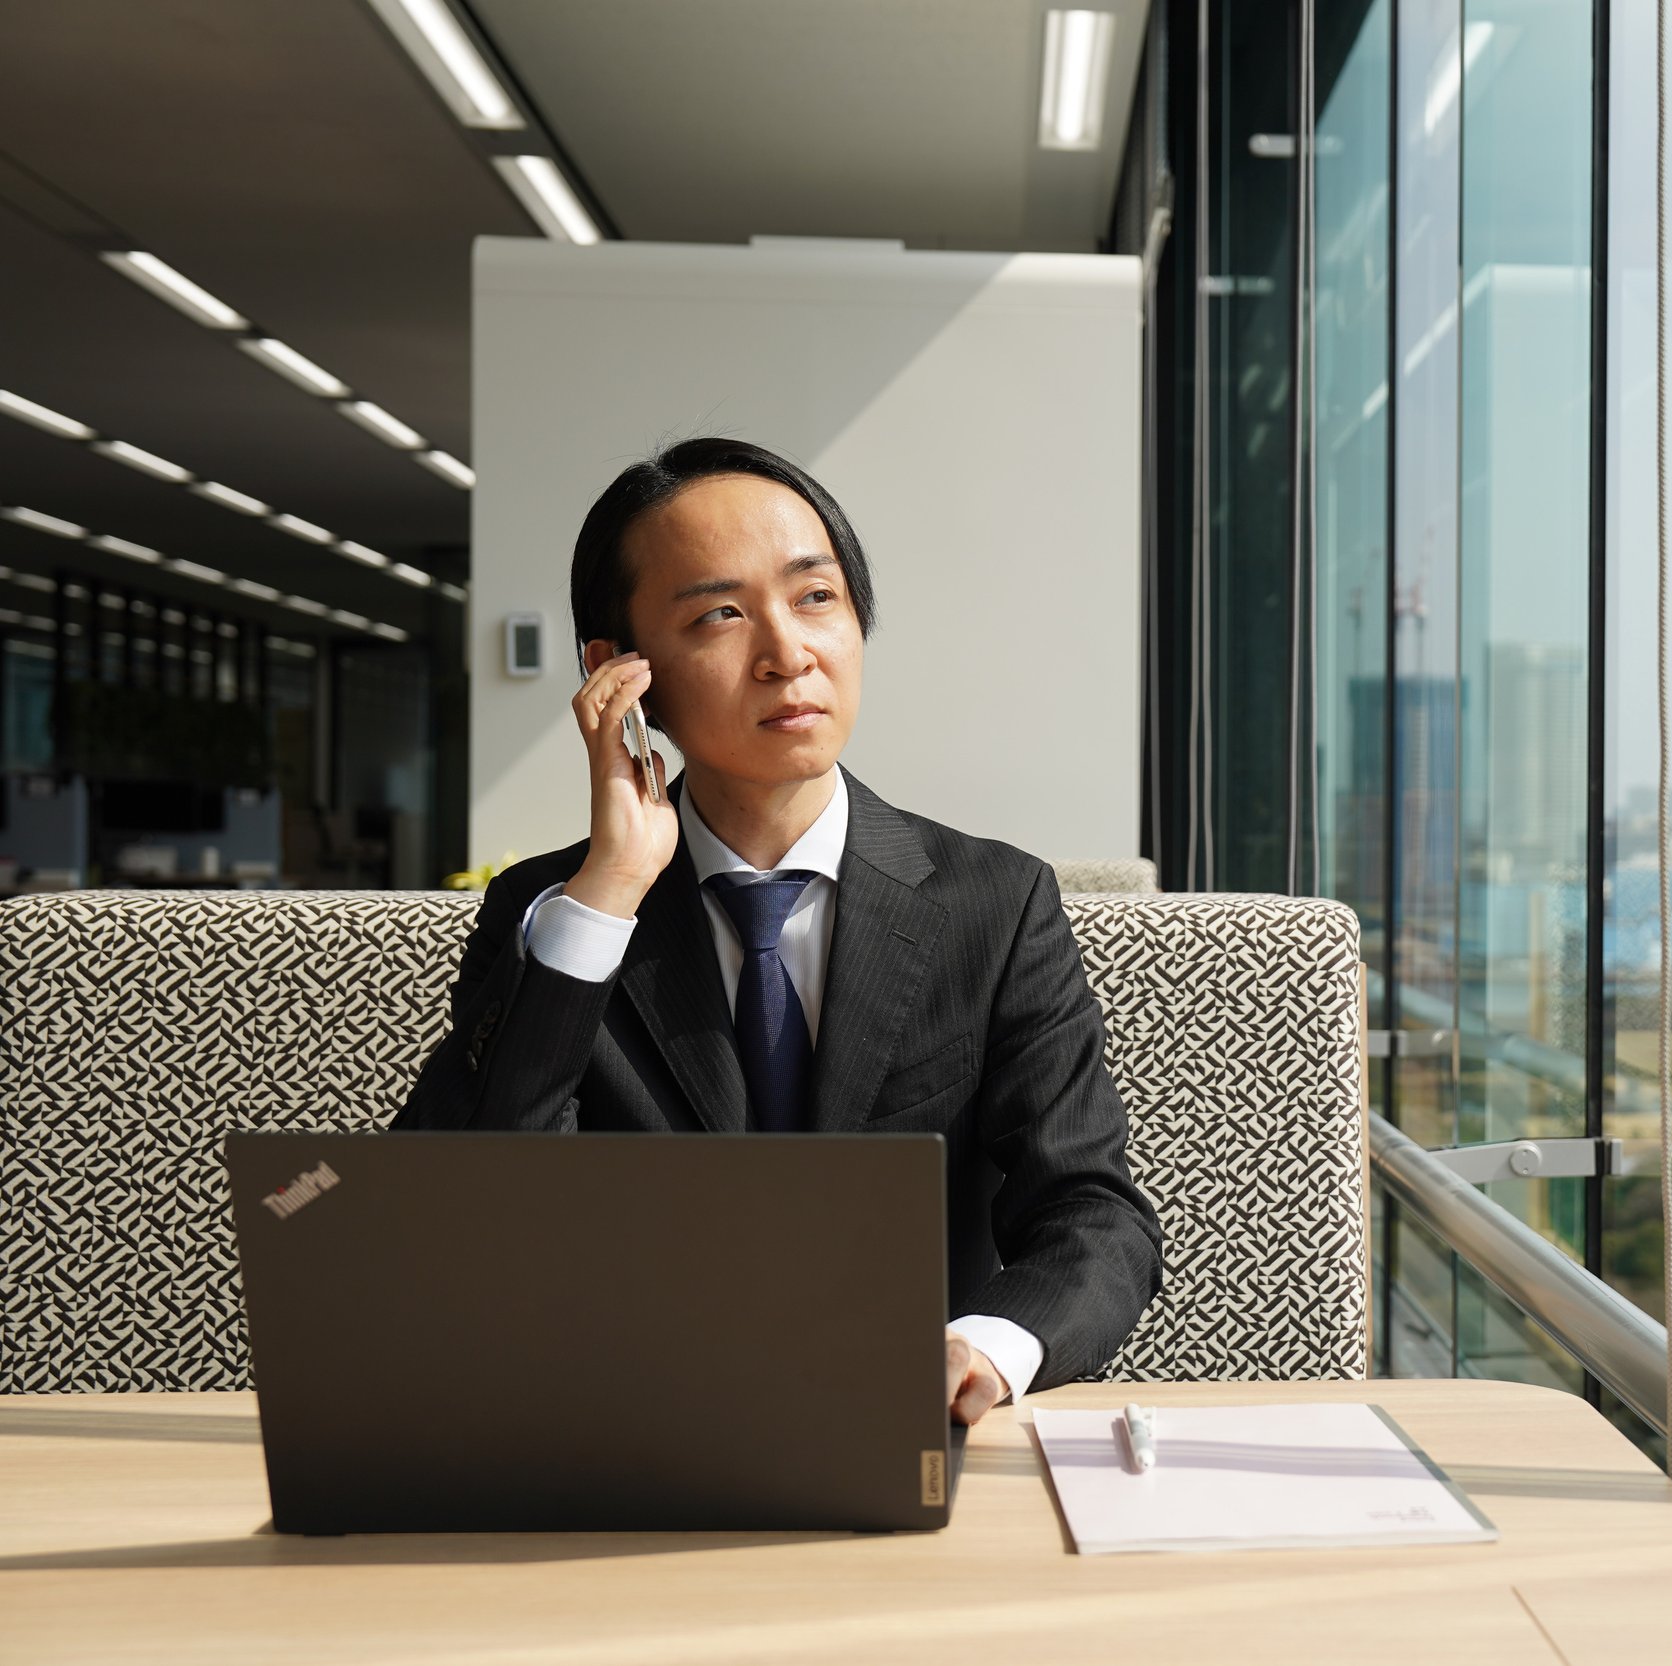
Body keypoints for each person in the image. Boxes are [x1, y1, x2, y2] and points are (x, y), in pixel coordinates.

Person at [394, 437, 1163, 1425]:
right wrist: (612, 891)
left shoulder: (995, 902)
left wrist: (984, 1347)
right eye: (719, 613)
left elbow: (1093, 1211)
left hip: (907, 1430)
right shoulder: (556, 912)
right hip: (631, 1432)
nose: (786, 653)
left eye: (815, 598)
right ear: (619, 671)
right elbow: (462, 1214)